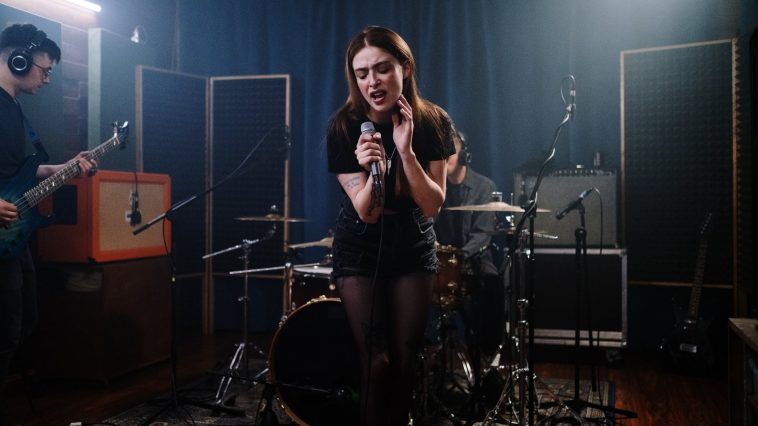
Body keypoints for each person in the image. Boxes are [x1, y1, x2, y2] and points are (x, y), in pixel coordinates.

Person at [326, 25, 455, 426]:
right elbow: (367, 211)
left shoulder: (433, 122)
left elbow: (432, 205)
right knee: (376, 362)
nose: (372, 81)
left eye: (382, 69)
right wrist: (373, 168)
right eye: (361, 73)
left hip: (413, 241)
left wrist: (405, 151)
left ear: (406, 67)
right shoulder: (344, 128)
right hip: (359, 244)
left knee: (404, 363)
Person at [0, 23, 96, 424]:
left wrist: (62, 168)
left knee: (24, 320)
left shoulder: (13, 107)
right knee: (7, 326)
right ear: (18, 57)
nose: (47, 78)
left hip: (11, 237)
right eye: (45, 68)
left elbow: (12, 170)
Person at [433, 126, 506, 411]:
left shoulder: (483, 186)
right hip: (440, 263)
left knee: (490, 283)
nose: (445, 155)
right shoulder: (434, 187)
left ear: (465, 154)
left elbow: (482, 234)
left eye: (450, 148)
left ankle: (486, 358)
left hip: (474, 261)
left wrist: (460, 257)